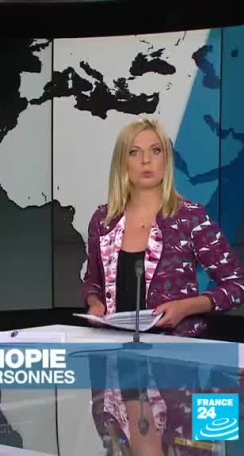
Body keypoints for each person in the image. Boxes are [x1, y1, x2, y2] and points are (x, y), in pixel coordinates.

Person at [81, 117, 244, 455]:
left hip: (184, 367)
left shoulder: (190, 217)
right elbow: (93, 281)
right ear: (122, 162)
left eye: (155, 151)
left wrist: (186, 307)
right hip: (116, 368)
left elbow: (236, 284)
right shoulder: (103, 220)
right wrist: (95, 303)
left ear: (166, 160)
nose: (146, 160)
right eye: (135, 152)